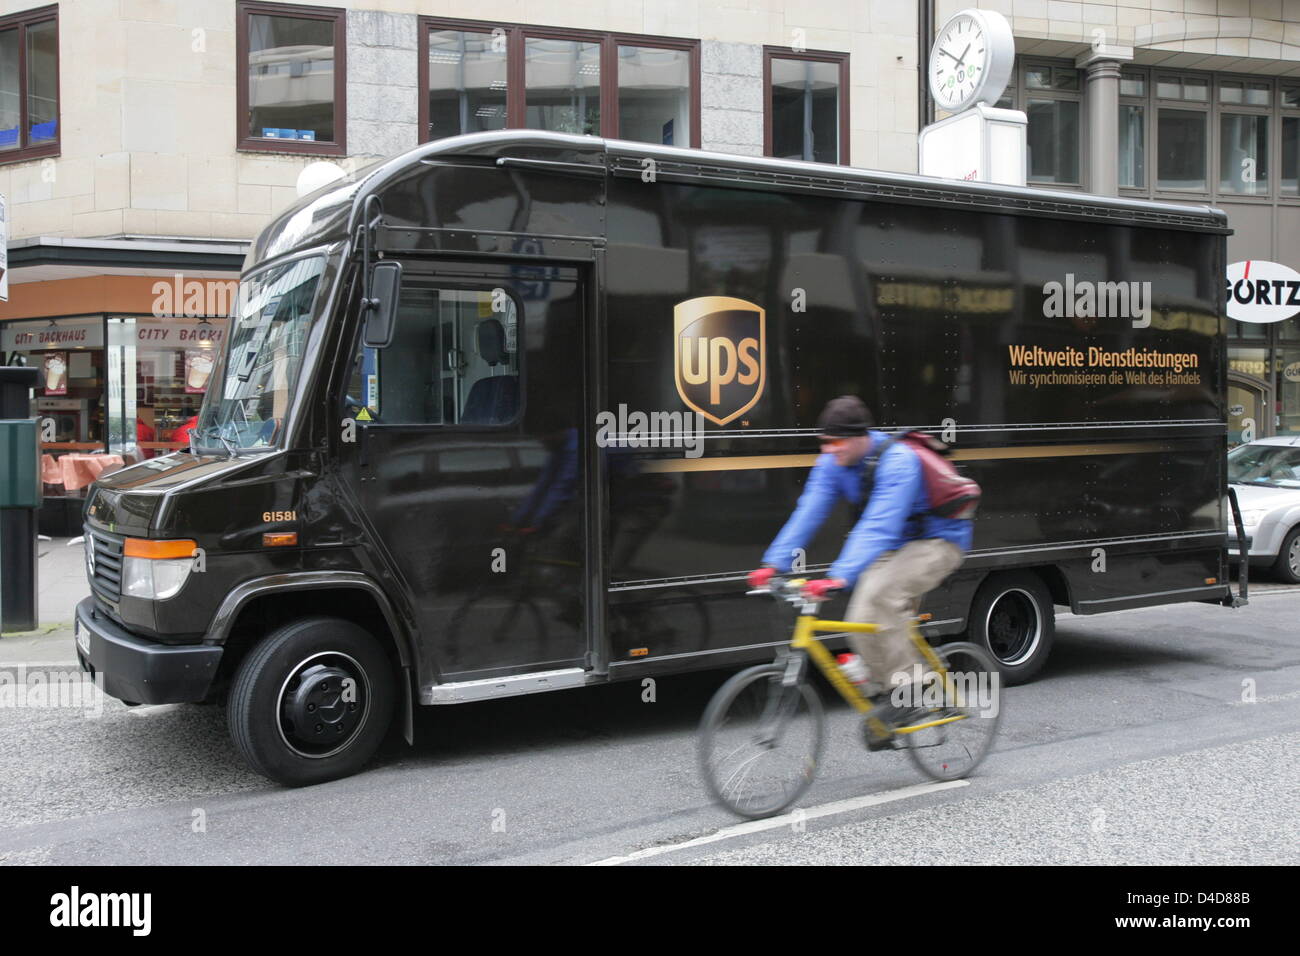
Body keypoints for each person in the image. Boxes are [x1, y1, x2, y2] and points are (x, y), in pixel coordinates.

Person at [748, 395, 972, 747]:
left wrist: (839, 575)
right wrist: (773, 564)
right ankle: (889, 705)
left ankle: (909, 692)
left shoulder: (898, 462)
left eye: (836, 441)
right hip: (895, 547)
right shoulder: (832, 463)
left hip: (939, 541)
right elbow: (809, 512)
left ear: (859, 437)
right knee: (860, 618)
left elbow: (877, 527)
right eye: (824, 441)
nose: (829, 449)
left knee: (881, 595)